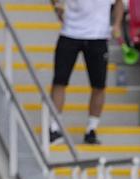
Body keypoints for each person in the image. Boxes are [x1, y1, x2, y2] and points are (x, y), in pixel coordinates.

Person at [48, 0, 122, 144]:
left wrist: (117, 24)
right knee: (59, 81)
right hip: (70, 32)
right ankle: (54, 127)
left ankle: (92, 129)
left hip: (98, 35)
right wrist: (57, 7)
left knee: (99, 85)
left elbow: (119, 2)